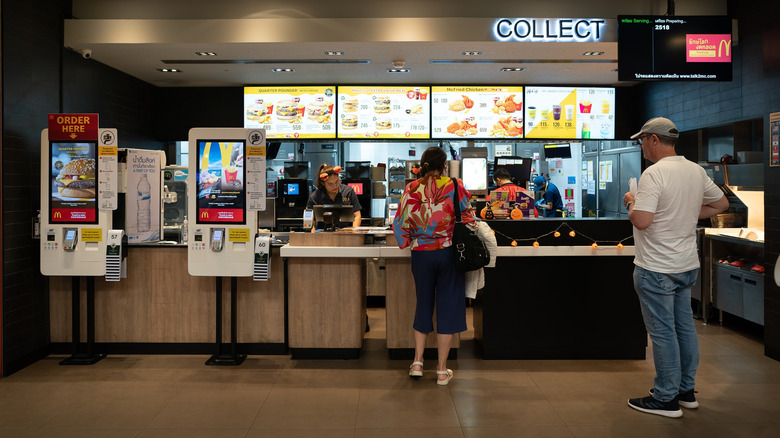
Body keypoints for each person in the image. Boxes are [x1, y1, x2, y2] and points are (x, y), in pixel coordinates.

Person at [623, 117, 728, 418]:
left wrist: (631, 201)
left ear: (654, 139)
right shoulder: (695, 170)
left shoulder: (654, 174)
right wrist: (685, 214)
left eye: (641, 140)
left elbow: (642, 220)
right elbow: (721, 205)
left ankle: (665, 398)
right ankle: (685, 391)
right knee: (684, 328)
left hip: (656, 267)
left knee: (663, 333)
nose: (640, 145)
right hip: (686, 265)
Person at [392, 146, 478, 385]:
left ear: (422, 163)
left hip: (421, 254)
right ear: (445, 164)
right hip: (450, 253)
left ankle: (417, 362)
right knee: (448, 307)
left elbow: (399, 223)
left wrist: (409, 240)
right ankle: (441, 370)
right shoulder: (454, 185)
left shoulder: (411, 187)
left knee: (424, 304)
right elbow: (468, 217)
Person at [306, 163, 362, 231]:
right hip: (324, 233)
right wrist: (313, 238)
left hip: (346, 232)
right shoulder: (315, 197)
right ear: (322, 183)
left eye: (337, 182)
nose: (335, 186)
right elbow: (312, 223)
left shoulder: (348, 192)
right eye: (330, 184)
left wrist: (353, 232)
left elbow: (357, 216)